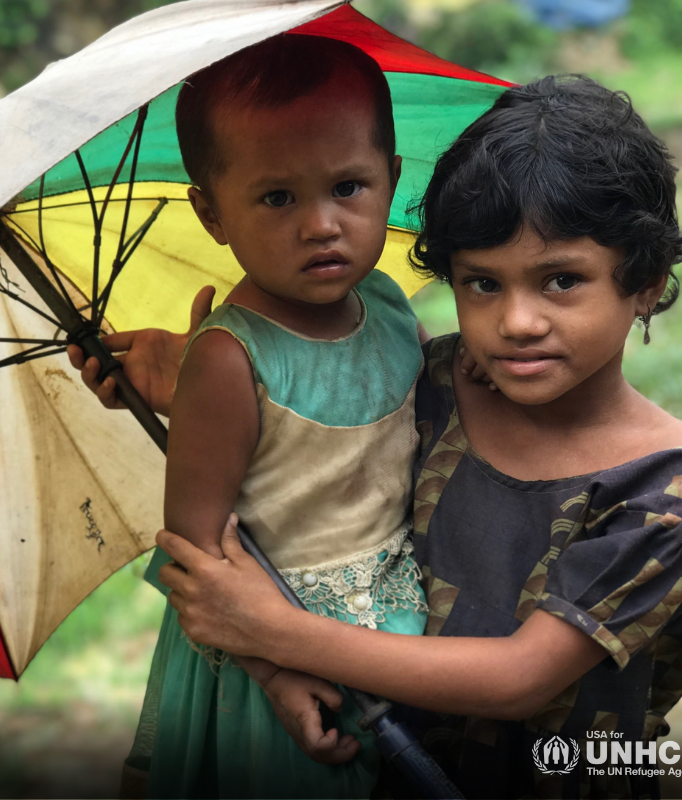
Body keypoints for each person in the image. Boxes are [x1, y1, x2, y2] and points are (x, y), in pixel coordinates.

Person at [81, 76, 682, 799]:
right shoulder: (442, 380)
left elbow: (520, 680)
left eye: (561, 281)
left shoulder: (675, 494)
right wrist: (210, 393)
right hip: (373, 770)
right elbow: (327, 436)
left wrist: (271, 634)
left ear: (645, 281)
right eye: (482, 284)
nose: (517, 322)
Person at [114, 35, 469, 799]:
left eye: (348, 187)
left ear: (391, 180)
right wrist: (274, 670)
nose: (321, 225)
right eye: (278, 198)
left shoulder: (384, 302)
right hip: (269, 648)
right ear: (211, 212)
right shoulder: (228, 360)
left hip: (394, 622)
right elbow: (195, 551)